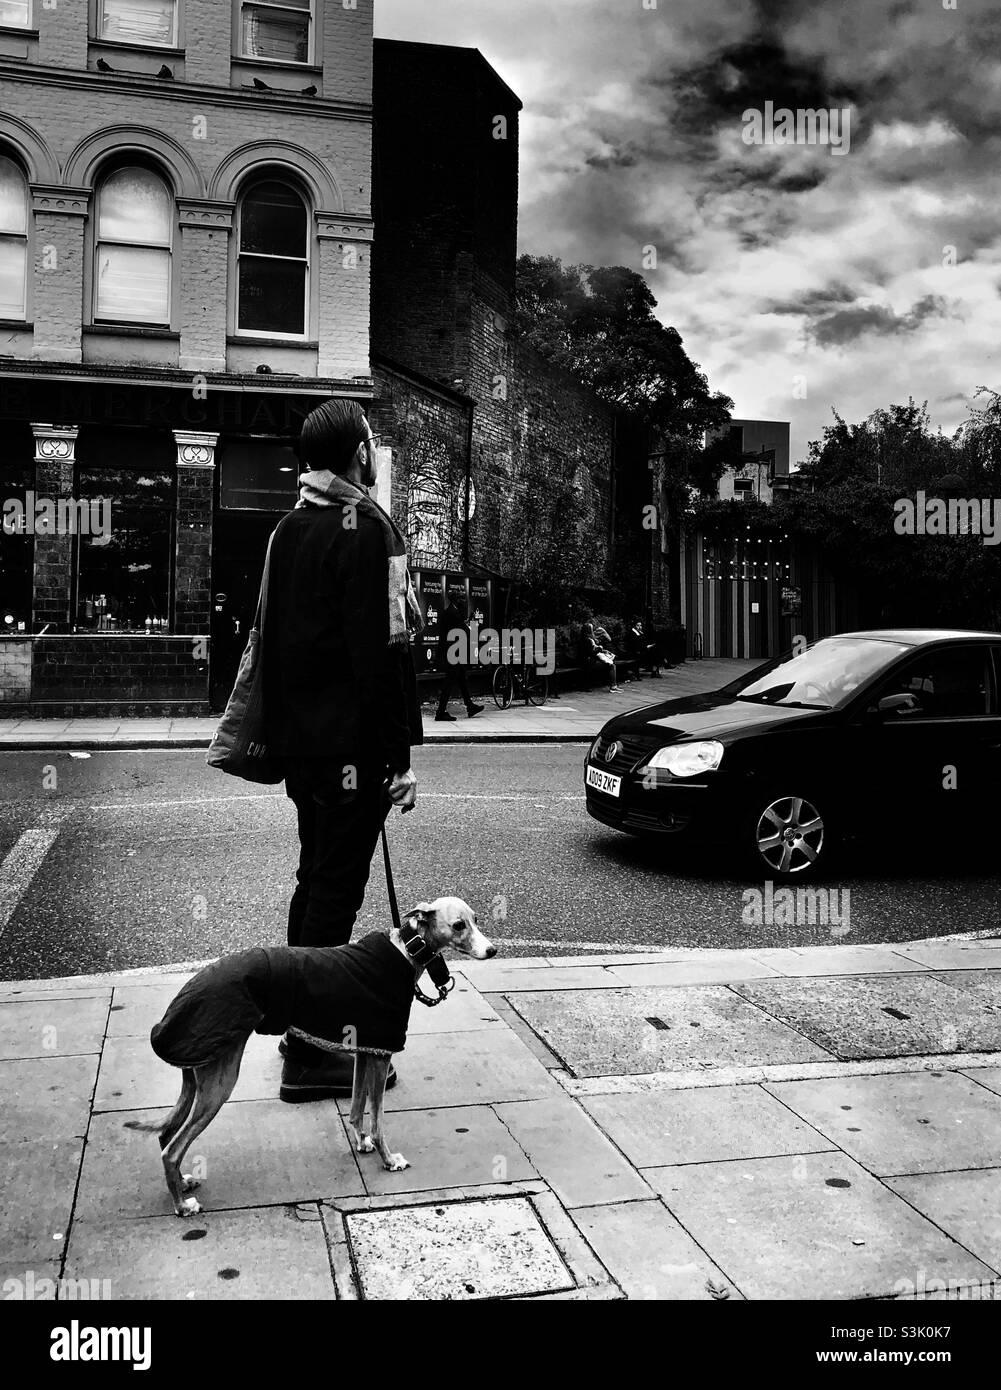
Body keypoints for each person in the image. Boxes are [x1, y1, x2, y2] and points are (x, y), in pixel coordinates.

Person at [263, 399, 422, 1102]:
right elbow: (383, 652)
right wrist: (399, 758)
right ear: (359, 452)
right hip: (352, 748)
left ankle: (298, 1025)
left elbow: (269, 642)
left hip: (303, 748)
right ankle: (312, 1055)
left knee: (313, 880)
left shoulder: (289, 527)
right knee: (336, 890)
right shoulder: (370, 530)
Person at [435, 591, 484, 722]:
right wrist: (471, 624)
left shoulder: (450, 612)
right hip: (452, 653)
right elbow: (465, 631)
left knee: (461, 678)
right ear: (455, 600)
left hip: (452, 651)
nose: (463, 601)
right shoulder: (453, 614)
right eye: (461, 598)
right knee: (449, 682)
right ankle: (440, 712)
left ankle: (470, 706)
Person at [582, 620, 618, 692]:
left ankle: (613, 685)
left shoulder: (587, 638)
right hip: (588, 663)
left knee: (611, 663)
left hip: (590, 660)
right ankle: (613, 686)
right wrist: (600, 648)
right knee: (611, 665)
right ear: (589, 630)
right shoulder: (587, 640)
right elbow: (591, 653)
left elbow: (593, 650)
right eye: (591, 629)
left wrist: (602, 650)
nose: (593, 630)